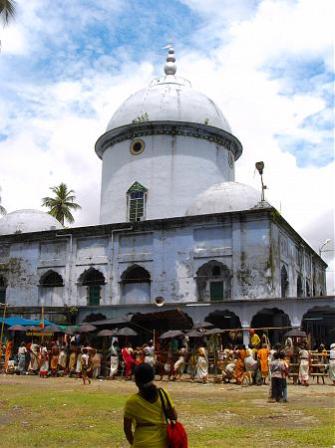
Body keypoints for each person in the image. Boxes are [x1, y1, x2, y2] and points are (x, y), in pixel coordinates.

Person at [123, 363, 177, 447]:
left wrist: (133, 443)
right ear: (153, 377)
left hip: (141, 443)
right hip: (162, 443)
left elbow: (127, 429)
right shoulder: (162, 394)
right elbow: (174, 416)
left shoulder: (132, 402)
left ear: (136, 381)